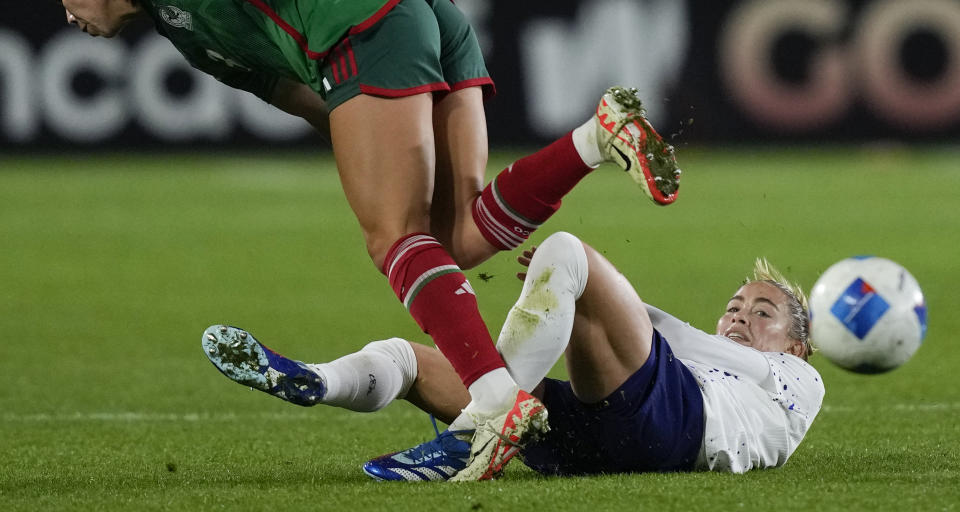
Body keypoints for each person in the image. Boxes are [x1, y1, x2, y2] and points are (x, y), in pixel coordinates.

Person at [42, 0, 682, 480]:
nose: (65, 16)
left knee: (392, 240)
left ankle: (493, 403)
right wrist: (369, 145)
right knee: (450, 237)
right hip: (424, 15)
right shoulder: (183, 29)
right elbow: (298, 96)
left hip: (362, 30)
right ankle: (595, 140)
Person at [202, 231, 824, 481]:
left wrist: (605, 290)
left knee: (566, 248)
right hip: (604, 442)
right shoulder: (696, 358)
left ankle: (481, 427)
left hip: (678, 424)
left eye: (762, 312)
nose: (741, 314)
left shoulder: (797, 378)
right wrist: (600, 298)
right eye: (735, 305)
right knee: (408, 358)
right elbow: (678, 342)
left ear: (795, 344)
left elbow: (689, 343)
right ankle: (314, 379)